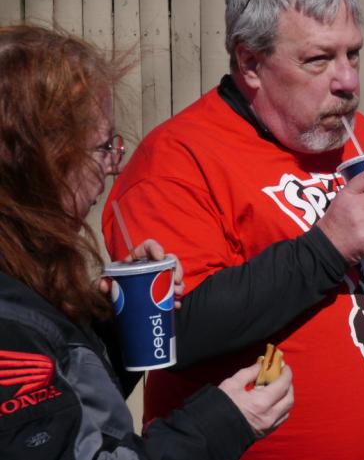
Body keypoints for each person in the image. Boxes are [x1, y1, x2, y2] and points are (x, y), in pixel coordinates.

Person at [103, 0, 364, 460]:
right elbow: (174, 334)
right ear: (250, 62)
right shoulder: (177, 161)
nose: (348, 81)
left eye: (353, 54)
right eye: (319, 59)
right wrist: (327, 248)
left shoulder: (354, 138)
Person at [0, 25, 293, 459]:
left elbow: (74, 405)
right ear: (40, 157)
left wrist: (118, 320)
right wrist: (223, 421)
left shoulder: (23, 268)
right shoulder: (10, 327)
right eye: (103, 147)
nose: (113, 165)